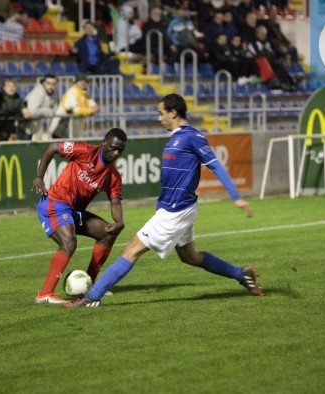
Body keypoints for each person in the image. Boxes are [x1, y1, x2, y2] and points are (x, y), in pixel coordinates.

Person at [63, 94, 262, 308]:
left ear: (173, 112)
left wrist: (236, 197)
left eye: (161, 113)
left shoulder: (192, 137)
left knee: (132, 249)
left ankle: (91, 298)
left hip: (176, 210)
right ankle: (242, 274)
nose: (159, 118)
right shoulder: (177, 137)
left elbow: (216, 165)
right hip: (176, 207)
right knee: (190, 256)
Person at [31, 128, 128, 304]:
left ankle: (91, 284)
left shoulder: (113, 176)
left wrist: (120, 222)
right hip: (55, 203)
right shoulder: (85, 151)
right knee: (69, 242)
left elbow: (115, 203)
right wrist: (39, 176)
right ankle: (44, 294)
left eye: (120, 150)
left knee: (108, 233)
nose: (116, 153)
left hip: (74, 211)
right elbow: (53, 147)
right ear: (104, 142)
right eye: (113, 147)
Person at [49, 73, 98, 139]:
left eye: (85, 82)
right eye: (81, 81)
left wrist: (91, 111)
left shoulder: (85, 93)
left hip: (73, 129)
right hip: (60, 127)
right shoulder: (72, 92)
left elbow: (94, 107)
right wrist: (90, 111)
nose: (84, 83)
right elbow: (76, 110)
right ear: (76, 82)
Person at [24, 74, 58, 140]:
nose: (51, 86)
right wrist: (48, 111)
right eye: (48, 83)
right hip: (26, 128)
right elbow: (31, 111)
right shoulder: (38, 92)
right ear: (43, 83)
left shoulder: (51, 93)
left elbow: (54, 108)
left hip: (37, 127)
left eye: (53, 84)